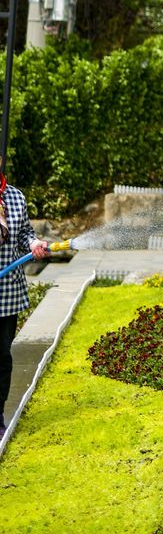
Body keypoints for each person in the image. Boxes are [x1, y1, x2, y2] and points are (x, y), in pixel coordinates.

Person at [0, 177, 48, 434]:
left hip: (6, 293)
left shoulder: (15, 196)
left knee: (2, 358)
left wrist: (33, 244)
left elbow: (24, 235)